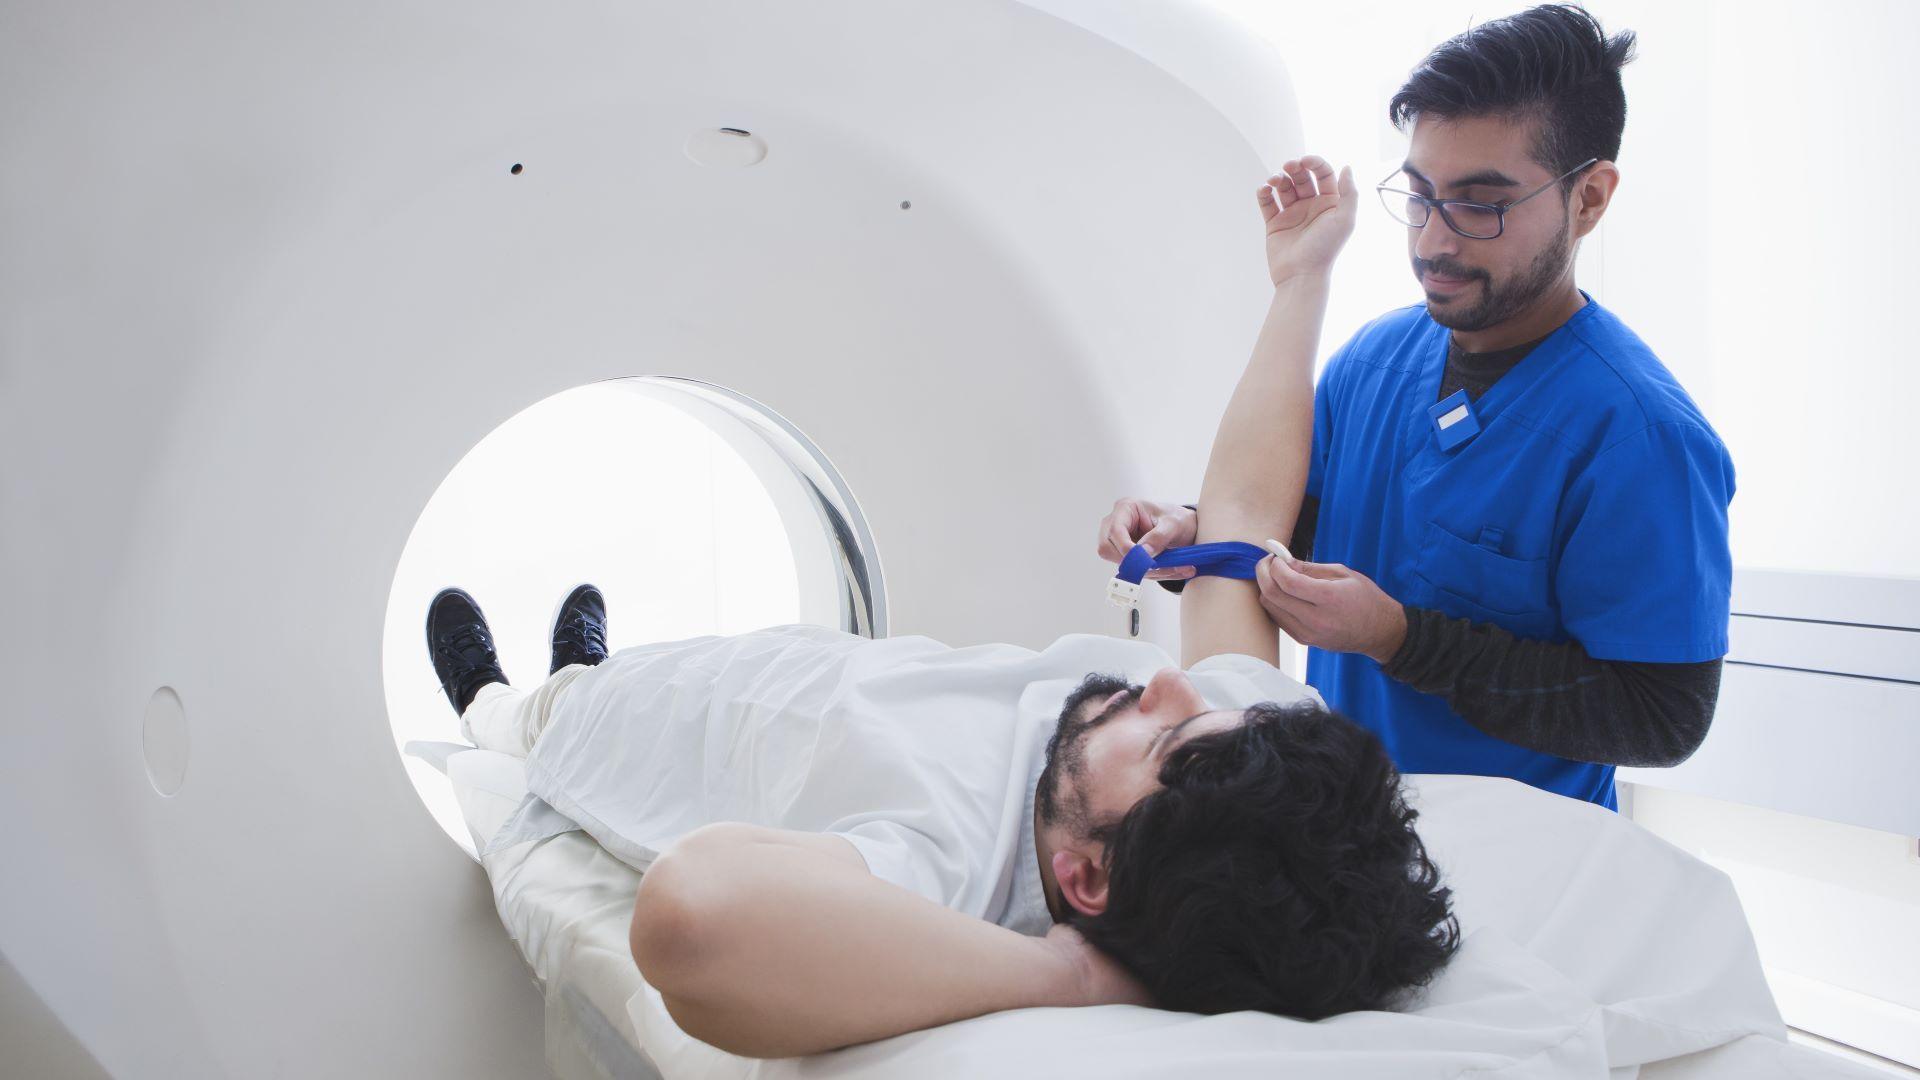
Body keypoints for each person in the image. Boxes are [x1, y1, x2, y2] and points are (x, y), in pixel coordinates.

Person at [422, 149, 1458, 1058]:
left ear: (1084, 882)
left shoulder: (948, 868)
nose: (1169, 683)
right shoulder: (1235, 762)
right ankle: (583, 658)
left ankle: (498, 696)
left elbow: (693, 917)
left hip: (633, 736)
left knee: (539, 718)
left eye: (1159, 741)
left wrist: (1076, 979)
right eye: (1201, 709)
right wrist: (1302, 278)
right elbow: (1239, 526)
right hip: (775, 661)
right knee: (621, 662)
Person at [1100, 4, 1735, 810]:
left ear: (1590, 199)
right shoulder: (1374, 362)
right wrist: (1198, 534)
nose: (1433, 241)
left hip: (1516, 849)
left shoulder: (1640, 439)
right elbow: (1308, 530)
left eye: (1481, 203)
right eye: (1421, 194)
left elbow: (1662, 717)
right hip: (1347, 821)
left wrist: (1398, 638)